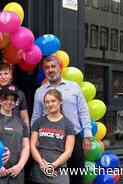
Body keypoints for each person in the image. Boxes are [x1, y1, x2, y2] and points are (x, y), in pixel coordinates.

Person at [31, 56, 92, 184]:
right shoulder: (40, 91)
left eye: (53, 66)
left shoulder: (73, 87)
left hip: (74, 138)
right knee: (52, 177)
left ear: (60, 68)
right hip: (49, 141)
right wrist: (34, 138)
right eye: (47, 68)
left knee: (76, 175)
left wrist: (87, 134)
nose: (50, 70)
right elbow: (36, 115)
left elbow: (83, 111)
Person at [0, 86, 30, 184]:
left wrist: (19, 166)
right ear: (0, 99)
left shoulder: (21, 123)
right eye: (6, 98)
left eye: (12, 100)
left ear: (16, 102)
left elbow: (26, 147)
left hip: (16, 174)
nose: (9, 102)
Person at [30, 89, 75, 184]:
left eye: (53, 101)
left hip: (59, 171)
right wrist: (42, 164)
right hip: (39, 171)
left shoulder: (68, 124)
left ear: (60, 101)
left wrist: (53, 166)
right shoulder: (38, 122)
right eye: (47, 102)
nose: (50, 104)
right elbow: (32, 146)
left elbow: (68, 152)